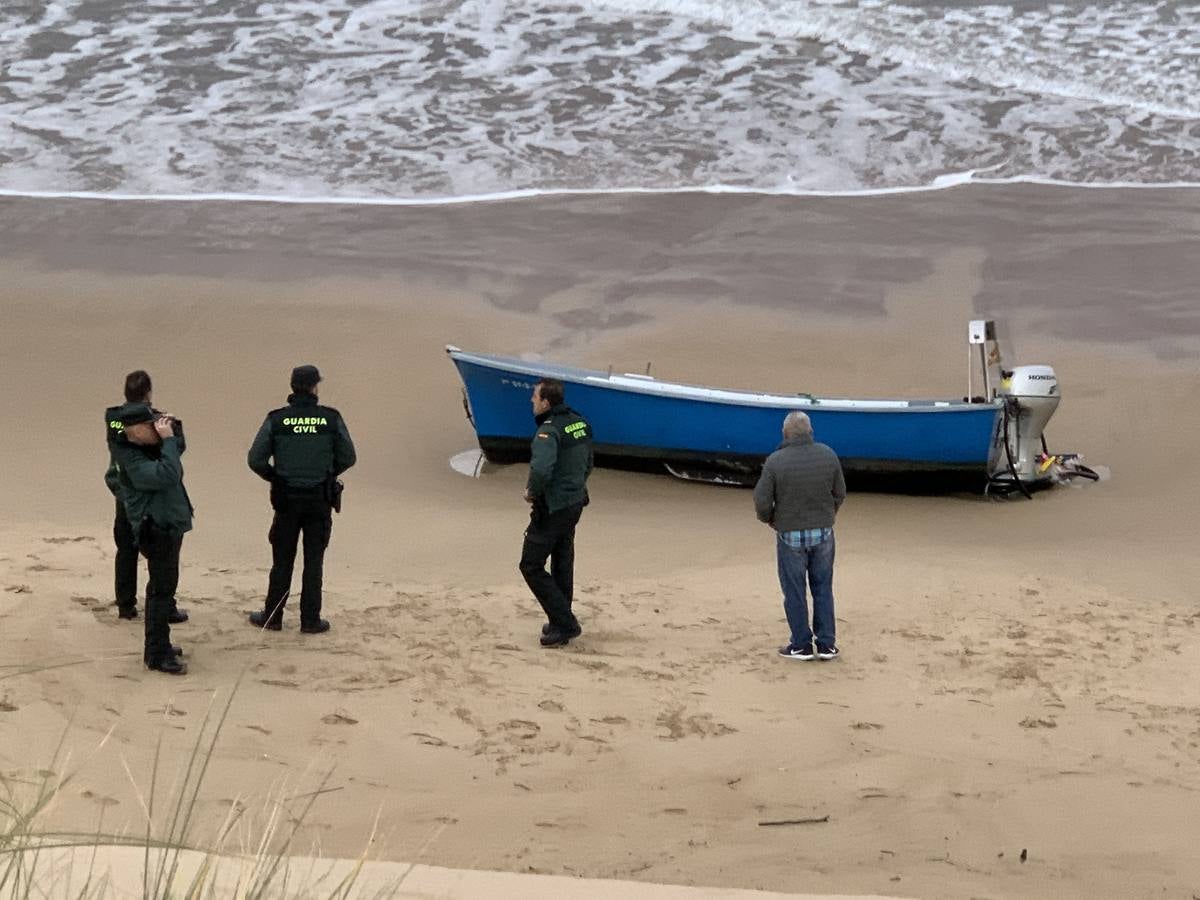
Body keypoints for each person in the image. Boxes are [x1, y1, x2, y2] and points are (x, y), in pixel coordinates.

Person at [247, 365, 356, 633]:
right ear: (314, 387)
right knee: (314, 560)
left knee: (282, 559)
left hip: (286, 499)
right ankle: (310, 619)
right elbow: (348, 456)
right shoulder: (330, 419)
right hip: (319, 498)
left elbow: (255, 459)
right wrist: (328, 473)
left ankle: (273, 616)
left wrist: (275, 477)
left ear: (293, 387)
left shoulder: (277, 419)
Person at [753, 411, 846, 661]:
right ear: (810, 432)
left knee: (794, 591)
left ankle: (801, 644)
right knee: (823, 588)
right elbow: (840, 492)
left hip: (790, 535)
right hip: (823, 534)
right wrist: (828, 514)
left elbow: (761, 502)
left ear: (785, 434)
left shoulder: (775, 461)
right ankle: (826, 644)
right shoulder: (828, 455)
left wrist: (771, 520)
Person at [111, 404, 193, 675]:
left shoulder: (149, 448)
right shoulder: (129, 457)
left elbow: (178, 447)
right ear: (135, 430)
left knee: (165, 589)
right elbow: (169, 474)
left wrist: (171, 431)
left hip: (169, 525)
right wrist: (167, 440)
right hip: (156, 529)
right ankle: (157, 654)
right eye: (151, 425)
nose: (157, 428)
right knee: (159, 593)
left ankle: (161, 644)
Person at [104, 370, 188, 624]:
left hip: (124, 489)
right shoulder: (155, 421)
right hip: (147, 496)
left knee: (126, 550)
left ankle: (126, 605)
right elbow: (177, 448)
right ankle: (165, 606)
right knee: (162, 557)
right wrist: (169, 432)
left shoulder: (115, 420)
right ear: (148, 392)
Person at [519, 378, 593, 647]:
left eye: (535, 397)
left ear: (546, 403)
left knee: (530, 564)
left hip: (554, 506)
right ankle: (560, 618)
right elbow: (588, 462)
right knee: (562, 560)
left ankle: (566, 623)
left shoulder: (547, 433)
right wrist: (575, 486)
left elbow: (540, 470)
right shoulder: (579, 423)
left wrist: (532, 492)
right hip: (574, 502)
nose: (531, 401)